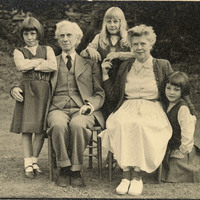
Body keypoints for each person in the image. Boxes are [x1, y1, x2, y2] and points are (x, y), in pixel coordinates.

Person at [99, 24, 173, 196]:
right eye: (135, 44)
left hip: (152, 106)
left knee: (140, 125)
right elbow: (114, 95)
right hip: (128, 106)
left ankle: (137, 176)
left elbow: (177, 90)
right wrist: (104, 74)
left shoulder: (162, 65)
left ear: (151, 44)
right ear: (131, 46)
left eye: (143, 44)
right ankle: (126, 175)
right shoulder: (126, 66)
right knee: (123, 124)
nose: (139, 48)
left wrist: (187, 110)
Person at [10, 17, 57, 179]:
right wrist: (39, 61)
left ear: (38, 34)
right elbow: (21, 66)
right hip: (26, 91)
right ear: (22, 35)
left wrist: (32, 63)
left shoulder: (48, 49)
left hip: (44, 91)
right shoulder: (18, 51)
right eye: (26, 34)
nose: (30, 37)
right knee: (27, 128)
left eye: (32, 33)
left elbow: (52, 65)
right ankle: (27, 162)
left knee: (40, 128)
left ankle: (35, 160)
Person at [80, 6, 135, 119]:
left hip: (122, 80)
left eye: (116, 21)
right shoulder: (100, 38)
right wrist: (89, 50)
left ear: (122, 22)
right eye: (109, 21)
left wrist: (119, 55)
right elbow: (82, 54)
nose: (112, 25)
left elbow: (138, 54)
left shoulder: (127, 38)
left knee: (122, 114)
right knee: (107, 113)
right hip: (104, 80)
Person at [161, 71, 200, 183]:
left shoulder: (182, 108)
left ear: (183, 91)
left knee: (176, 169)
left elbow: (187, 130)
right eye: (168, 88)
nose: (171, 92)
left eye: (176, 90)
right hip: (170, 145)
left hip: (180, 147)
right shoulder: (167, 104)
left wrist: (184, 148)